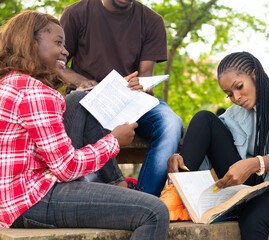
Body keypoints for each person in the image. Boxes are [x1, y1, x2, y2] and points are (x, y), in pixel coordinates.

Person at [0, 11, 170, 239]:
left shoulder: (9, 82)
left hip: (12, 197)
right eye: (58, 43)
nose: (65, 51)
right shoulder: (36, 93)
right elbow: (65, 168)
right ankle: (122, 188)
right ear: (31, 43)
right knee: (155, 211)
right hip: (30, 201)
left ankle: (118, 184)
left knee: (81, 99)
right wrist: (114, 142)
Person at [167, 52, 269, 239]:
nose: (236, 97)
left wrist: (256, 163)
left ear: (255, 75)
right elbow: (207, 157)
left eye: (239, 87)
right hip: (245, 189)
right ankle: (174, 197)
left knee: (254, 217)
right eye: (229, 94)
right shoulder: (233, 115)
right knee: (203, 118)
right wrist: (180, 158)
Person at [59, 0, 183, 197]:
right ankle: (109, 195)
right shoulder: (76, 13)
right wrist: (83, 82)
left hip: (131, 100)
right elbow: (57, 64)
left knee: (171, 122)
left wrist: (142, 84)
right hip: (89, 100)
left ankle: (145, 199)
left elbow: (144, 75)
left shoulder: (151, 20)